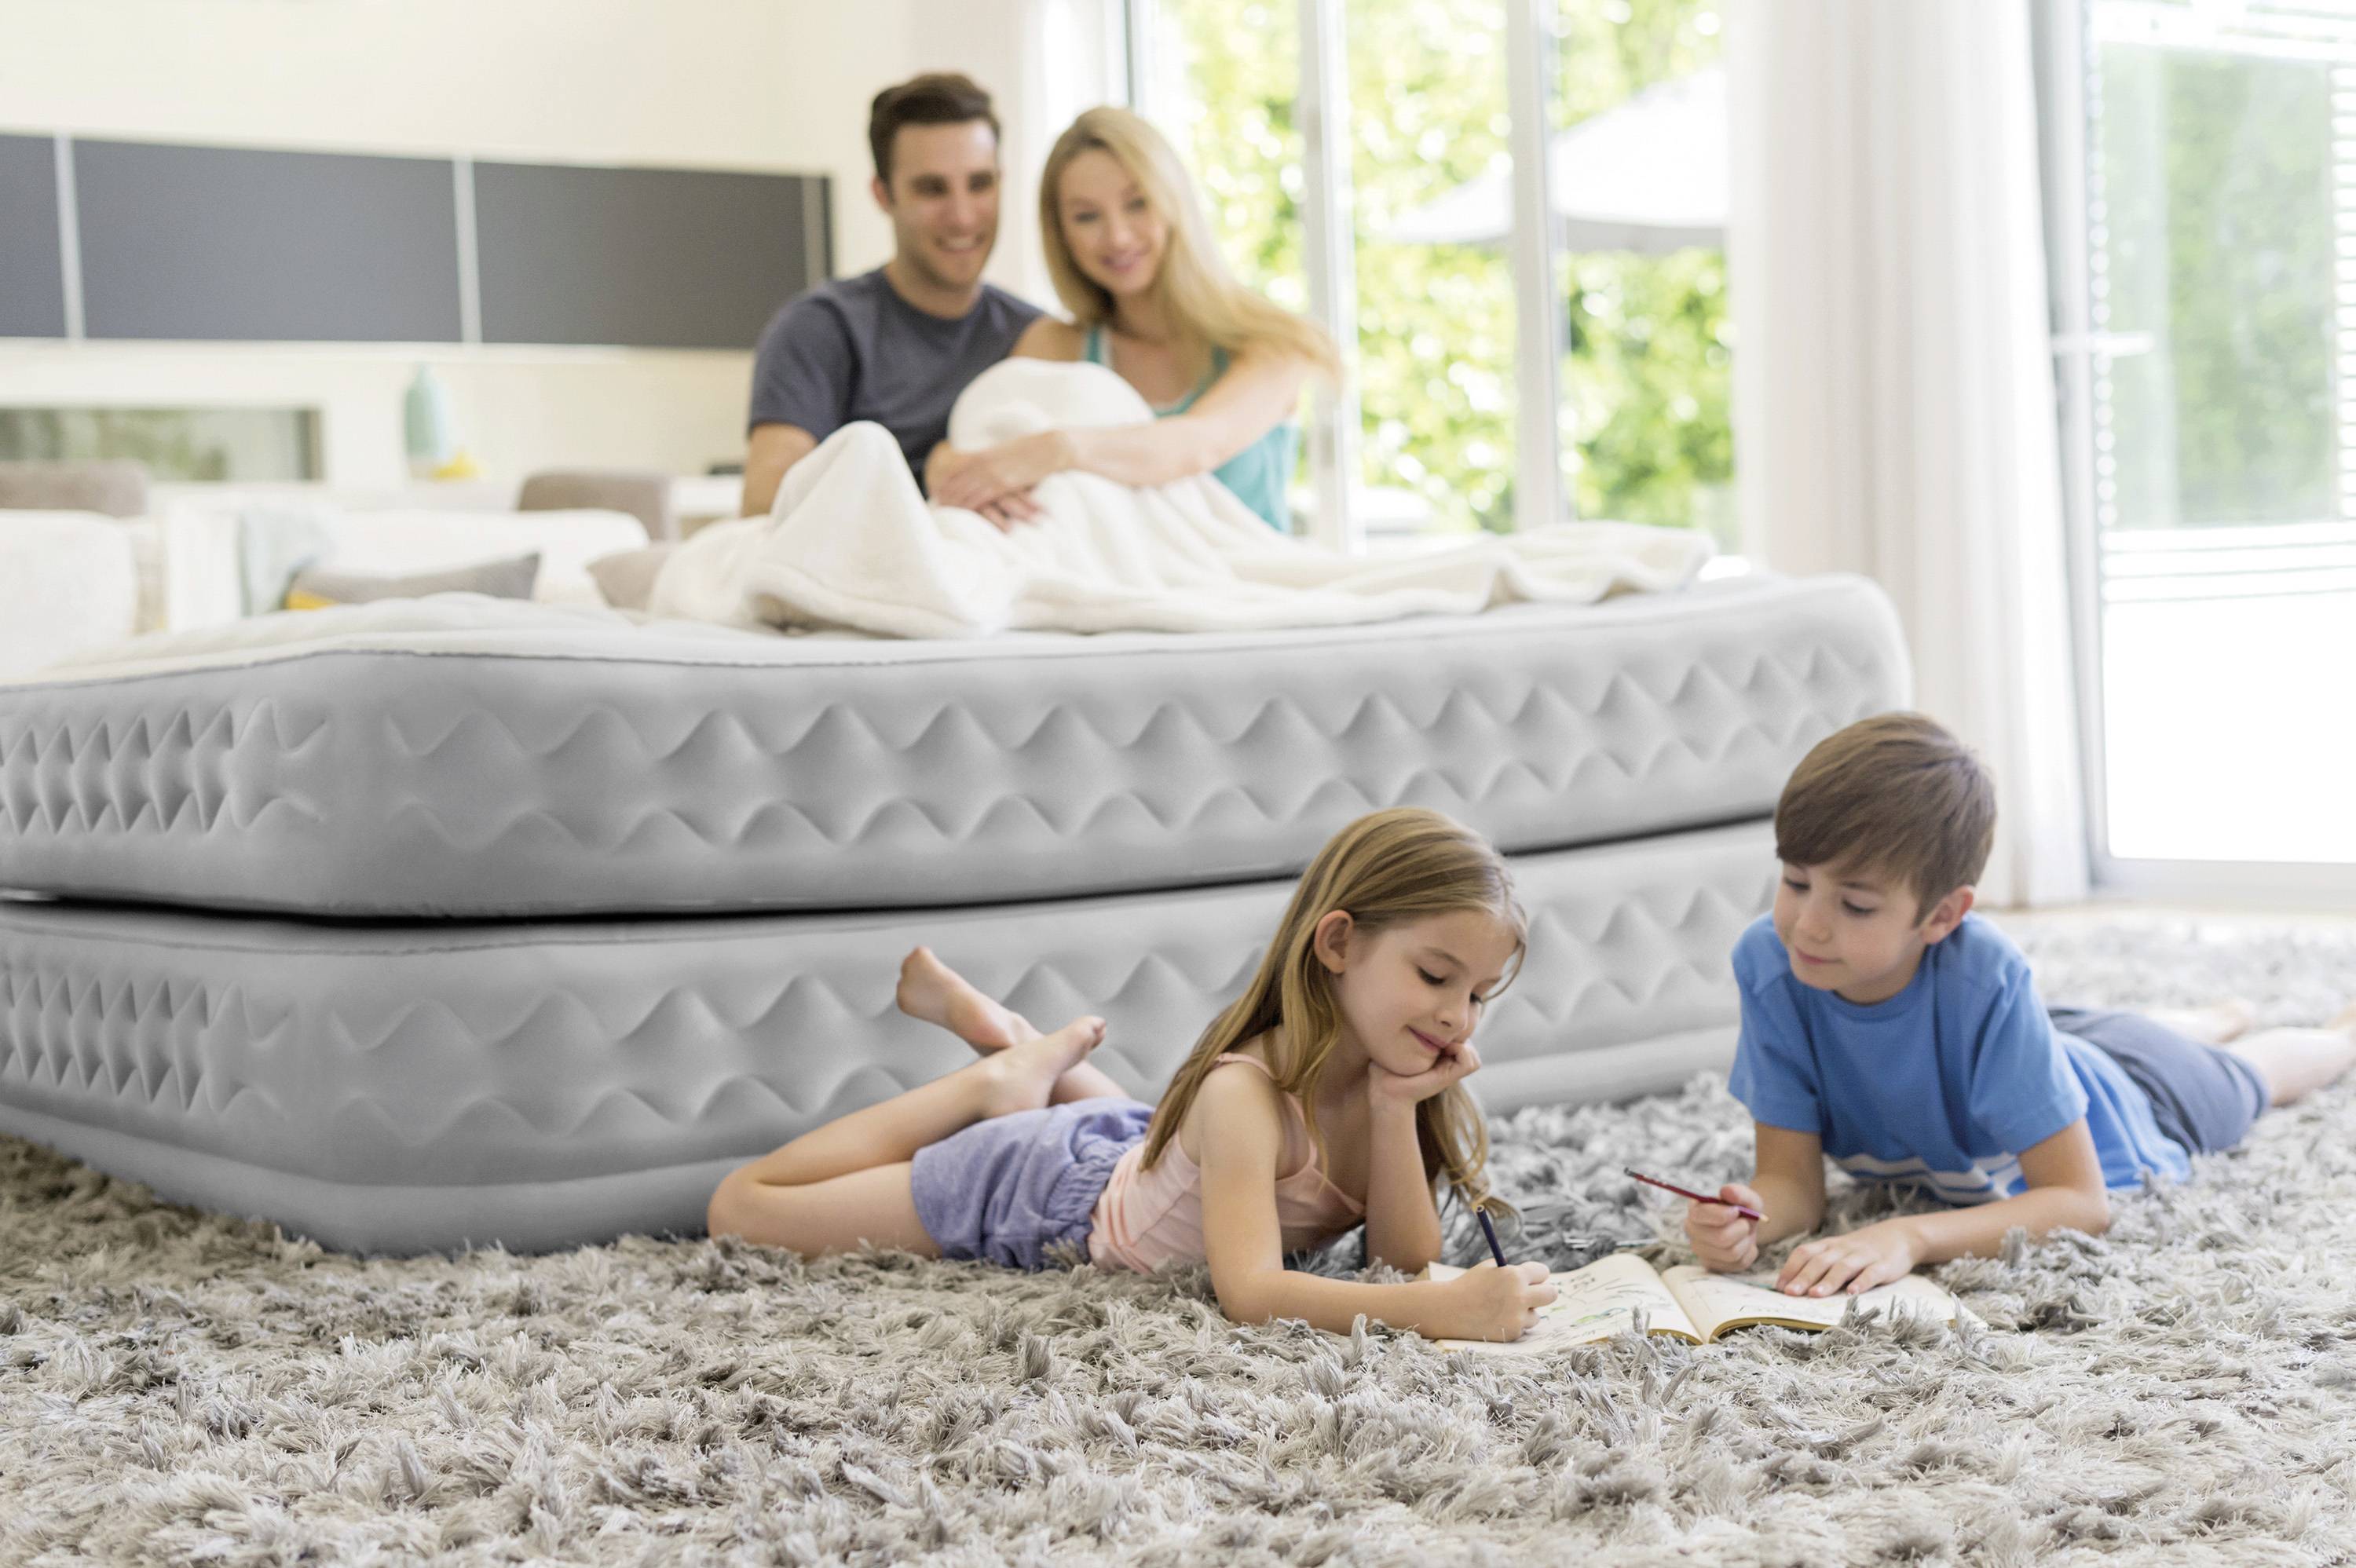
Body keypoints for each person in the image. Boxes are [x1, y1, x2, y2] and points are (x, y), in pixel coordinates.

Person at [707, 808, 1558, 1343]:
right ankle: (994, 1081)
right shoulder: (1244, 1094)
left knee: (1147, 1149)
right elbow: (1250, 1291)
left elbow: (1400, 1259)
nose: (1458, 1014)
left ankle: (1010, 1036)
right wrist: (1444, 1313)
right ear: (1337, 945)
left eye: (1479, 993)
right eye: (1436, 976)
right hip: (1039, 1188)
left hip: (1140, 1156)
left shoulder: (1386, 1071)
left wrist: (1391, 1106)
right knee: (743, 1205)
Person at [1684, 712, 2356, 1298]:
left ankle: (2325, 1033)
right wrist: (1746, 1218)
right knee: (2083, 1032)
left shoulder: (1988, 975)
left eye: (1855, 904)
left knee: (2245, 1076)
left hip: (2136, 1091)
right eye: (1796, 881)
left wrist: (1911, 1235)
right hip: (2052, 1041)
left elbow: (2080, 1202)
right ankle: (2202, 1016)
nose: (1807, 925)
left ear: (1943, 915)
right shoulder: (1771, 965)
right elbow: (1792, 1185)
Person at [927, 106, 1341, 534]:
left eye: (1137, 204)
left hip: (1247, 590)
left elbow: (1197, 445)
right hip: (1118, 593)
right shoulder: (1056, 347)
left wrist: (1060, 449)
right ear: (1061, 234)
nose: (1118, 237)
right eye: (1087, 216)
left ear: (1173, 202)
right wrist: (946, 469)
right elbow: (981, 441)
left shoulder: (1275, 344)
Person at [740, 73, 1042, 525]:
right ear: (883, 195)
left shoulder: (1035, 336)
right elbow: (765, 505)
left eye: (980, 184)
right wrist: (936, 485)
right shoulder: (819, 329)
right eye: (932, 189)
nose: (962, 217)